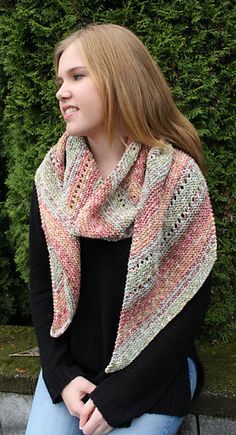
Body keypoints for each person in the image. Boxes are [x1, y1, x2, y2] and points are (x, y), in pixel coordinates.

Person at [25, 23, 217, 435]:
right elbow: (42, 289)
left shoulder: (177, 180)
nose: (61, 91)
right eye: (60, 80)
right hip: (72, 368)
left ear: (120, 79)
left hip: (153, 375)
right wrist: (60, 375)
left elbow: (188, 308)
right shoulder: (52, 180)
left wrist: (120, 397)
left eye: (77, 76)